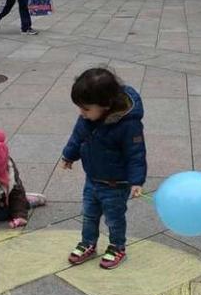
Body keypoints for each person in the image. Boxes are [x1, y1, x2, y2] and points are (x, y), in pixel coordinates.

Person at [61, 68, 146, 270]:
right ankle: (88, 243)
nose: (81, 113)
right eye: (80, 108)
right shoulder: (86, 118)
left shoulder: (129, 125)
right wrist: (69, 155)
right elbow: (77, 137)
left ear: (106, 105)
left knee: (114, 219)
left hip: (116, 185)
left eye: (86, 109)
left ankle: (117, 247)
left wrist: (136, 181)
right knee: (89, 214)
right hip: (92, 179)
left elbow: (136, 154)